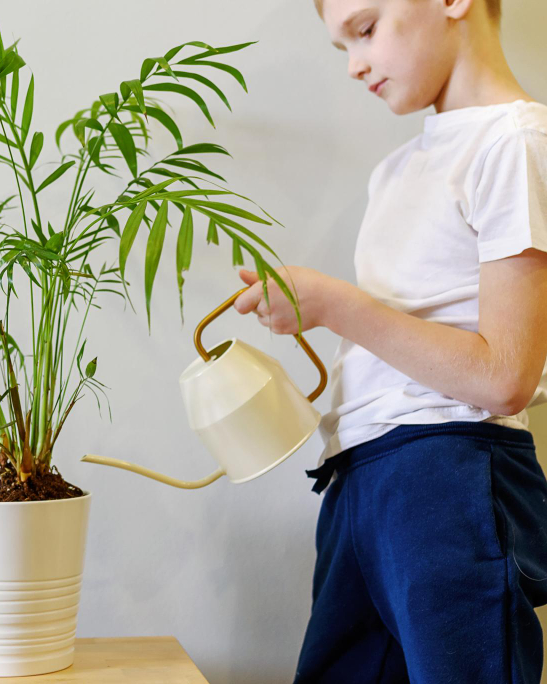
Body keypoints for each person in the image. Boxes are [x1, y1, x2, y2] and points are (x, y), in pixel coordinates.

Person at [231, 0, 547, 681]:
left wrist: (335, 304)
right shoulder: (396, 171)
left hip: (446, 474)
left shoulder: (512, 142)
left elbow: (504, 377)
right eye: (341, 45)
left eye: (366, 29)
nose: (355, 65)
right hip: (359, 481)